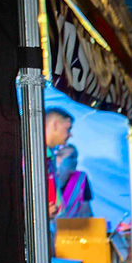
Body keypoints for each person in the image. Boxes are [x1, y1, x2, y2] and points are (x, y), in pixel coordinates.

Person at [44, 108, 74, 255]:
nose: (70, 134)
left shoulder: (49, 156)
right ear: (55, 124)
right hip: (36, 229)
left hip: (48, 225)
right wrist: (40, 210)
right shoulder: (33, 153)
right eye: (67, 128)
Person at [55, 144, 93, 218]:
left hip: (74, 227)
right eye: (71, 157)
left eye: (76, 158)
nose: (75, 161)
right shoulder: (49, 178)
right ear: (58, 159)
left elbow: (86, 211)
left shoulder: (81, 178)